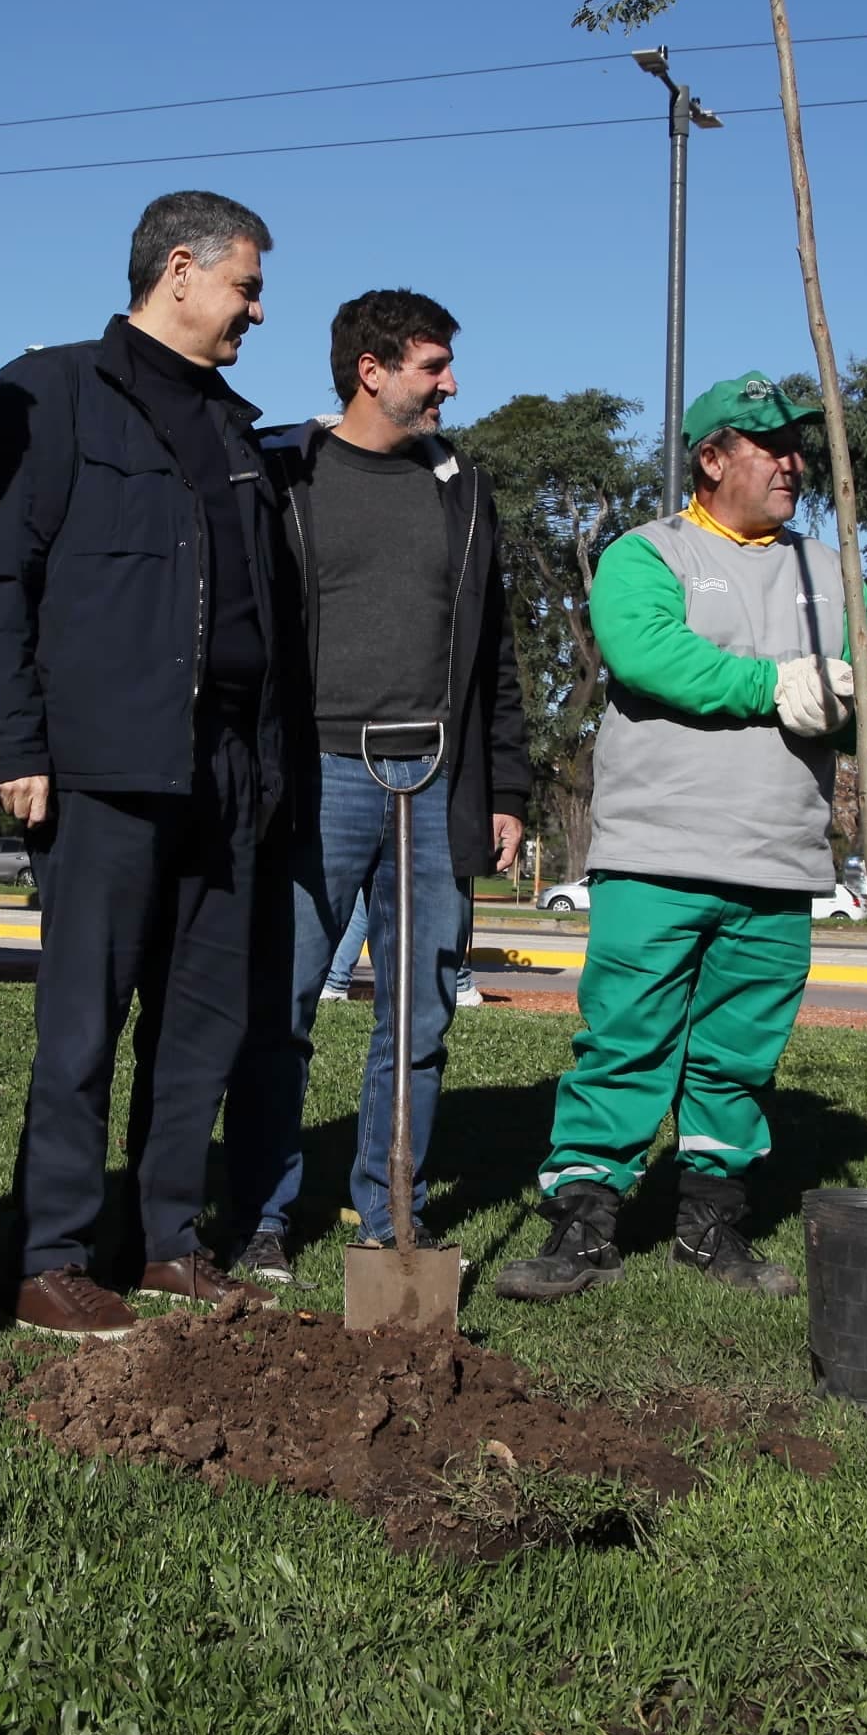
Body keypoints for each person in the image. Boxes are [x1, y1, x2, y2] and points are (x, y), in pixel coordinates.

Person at [0, 192, 296, 1338]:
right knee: (84, 1024)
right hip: (105, 764)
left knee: (203, 1026)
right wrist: (20, 743)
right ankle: (52, 1255)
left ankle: (165, 1244)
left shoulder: (238, 428)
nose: (257, 306)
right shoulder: (48, 390)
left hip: (228, 774)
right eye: (246, 284)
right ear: (181, 269)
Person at [495, 373, 867, 1303]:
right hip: (657, 856)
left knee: (739, 1056)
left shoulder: (830, 569)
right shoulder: (650, 553)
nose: (792, 462)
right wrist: (778, 687)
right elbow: (646, 653)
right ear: (712, 458)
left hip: (781, 858)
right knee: (626, 1041)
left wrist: (853, 695)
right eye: (770, 446)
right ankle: (584, 1219)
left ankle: (711, 1224)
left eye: (797, 445)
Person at [219, 290, 530, 1285]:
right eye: (433, 366)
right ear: (372, 368)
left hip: (439, 783)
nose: (450, 385)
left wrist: (508, 787)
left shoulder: (464, 488)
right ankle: (261, 1215)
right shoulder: (280, 470)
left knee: (423, 1012)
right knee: (285, 1003)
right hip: (314, 775)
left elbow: (500, 660)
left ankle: (391, 1214)